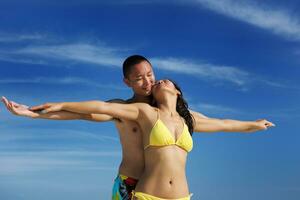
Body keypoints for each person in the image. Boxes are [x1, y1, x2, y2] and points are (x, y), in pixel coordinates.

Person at [1, 55, 274, 200]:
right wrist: (37, 113)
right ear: (127, 82)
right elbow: (85, 113)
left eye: (151, 75)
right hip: (130, 184)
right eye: (140, 78)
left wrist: (253, 123)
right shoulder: (127, 109)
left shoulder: (179, 115)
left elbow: (223, 123)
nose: (147, 82)